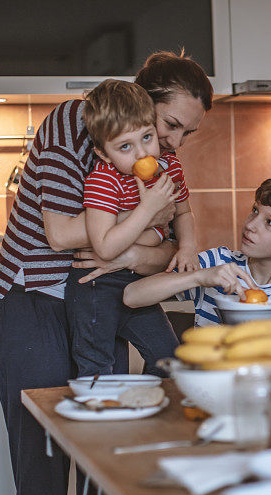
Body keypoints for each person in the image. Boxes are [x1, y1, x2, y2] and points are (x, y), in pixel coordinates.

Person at [0, 50, 213, 495]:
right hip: (36, 297)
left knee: (111, 455)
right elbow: (62, 236)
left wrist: (131, 251)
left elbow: (165, 249)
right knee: (44, 462)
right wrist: (146, 224)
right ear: (140, 101)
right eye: (170, 124)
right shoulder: (77, 122)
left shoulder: (156, 156)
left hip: (98, 295)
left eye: (184, 133)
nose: (174, 142)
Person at [66, 79, 199, 378]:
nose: (141, 153)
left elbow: (183, 211)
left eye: (147, 137)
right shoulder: (104, 180)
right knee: (97, 369)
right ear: (103, 153)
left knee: (168, 358)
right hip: (96, 288)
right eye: (125, 146)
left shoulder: (169, 166)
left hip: (137, 285)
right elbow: (105, 246)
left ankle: (149, 414)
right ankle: (101, 421)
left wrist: (188, 246)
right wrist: (148, 209)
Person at [123, 173, 271, 334]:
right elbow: (131, 296)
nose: (251, 225)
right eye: (255, 210)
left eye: (270, 223)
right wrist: (200, 276)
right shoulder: (218, 262)